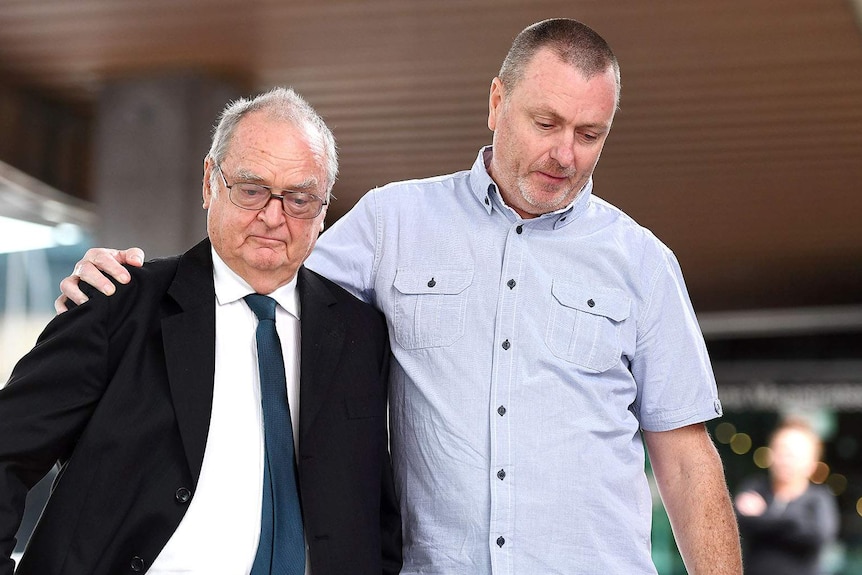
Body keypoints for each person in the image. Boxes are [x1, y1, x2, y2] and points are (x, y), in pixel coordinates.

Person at [56, 18, 742, 574]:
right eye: (546, 123)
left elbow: (685, 459)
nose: (565, 153)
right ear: (498, 101)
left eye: (589, 135)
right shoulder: (393, 224)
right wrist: (125, 290)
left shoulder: (644, 263)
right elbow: (257, 281)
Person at [0, 87, 402, 575]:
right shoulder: (118, 302)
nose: (274, 217)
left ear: (322, 209)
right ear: (211, 181)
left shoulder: (360, 333)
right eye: (252, 189)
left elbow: (370, 508)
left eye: (299, 197)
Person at [735, 418, 840, 575]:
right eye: (782, 451)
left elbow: (819, 535)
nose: (787, 460)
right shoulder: (755, 486)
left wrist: (763, 518)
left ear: (812, 463)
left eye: (795, 454)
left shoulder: (819, 498)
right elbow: (737, 523)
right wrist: (794, 522)